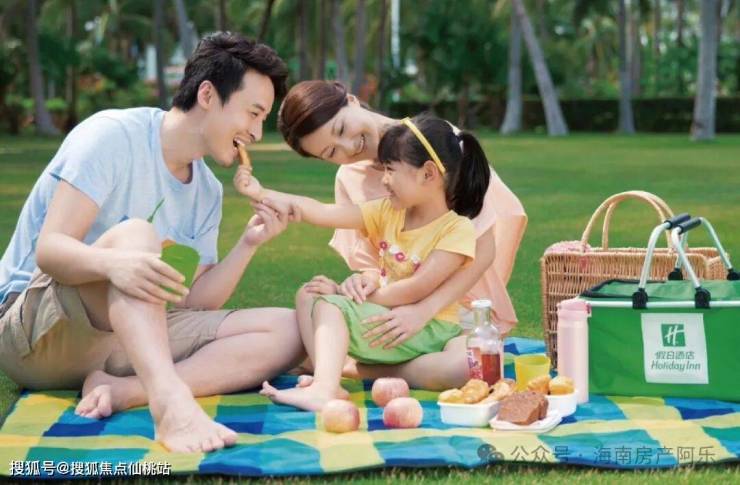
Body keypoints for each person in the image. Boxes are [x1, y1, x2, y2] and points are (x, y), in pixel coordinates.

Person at [0, 33, 304, 453]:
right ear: (208, 95)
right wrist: (117, 265)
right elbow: (50, 251)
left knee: (289, 328)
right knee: (137, 235)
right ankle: (170, 404)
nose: (255, 132)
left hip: (128, 340)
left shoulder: (207, 191)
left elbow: (194, 299)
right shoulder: (111, 136)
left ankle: (126, 390)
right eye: (253, 114)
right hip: (36, 332)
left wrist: (249, 243)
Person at [276, 80, 527, 390]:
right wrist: (359, 283)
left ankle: (355, 369)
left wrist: (423, 310)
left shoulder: (433, 141)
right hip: (391, 311)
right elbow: (374, 263)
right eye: (331, 151)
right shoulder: (349, 179)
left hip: (454, 310)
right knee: (312, 297)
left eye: (341, 129)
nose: (348, 147)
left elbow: (484, 251)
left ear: (351, 100)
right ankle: (347, 368)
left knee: (468, 364)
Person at [234, 114, 490, 410]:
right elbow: (322, 211)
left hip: (427, 328)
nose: (384, 179)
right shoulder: (387, 211)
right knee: (310, 293)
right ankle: (328, 378)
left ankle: (328, 384)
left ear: (428, 174)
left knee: (331, 305)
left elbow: (418, 288)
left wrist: (344, 295)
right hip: (387, 319)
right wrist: (261, 193)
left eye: (391, 170)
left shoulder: (456, 229)